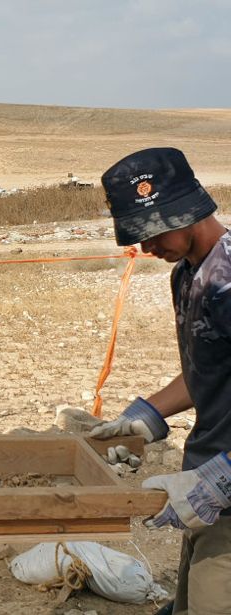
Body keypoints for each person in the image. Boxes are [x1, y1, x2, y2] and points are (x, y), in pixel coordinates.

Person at [89, 147, 231, 615]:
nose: (146, 248)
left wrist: (222, 479)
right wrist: (147, 414)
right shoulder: (188, 276)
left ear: (187, 210)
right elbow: (205, 371)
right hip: (206, 481)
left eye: (152, 232)